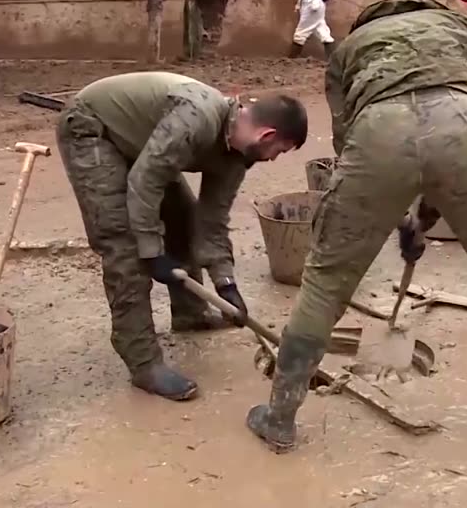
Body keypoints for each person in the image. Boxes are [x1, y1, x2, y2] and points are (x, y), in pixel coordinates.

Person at [246, 0, 467, 453]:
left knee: (325, 283)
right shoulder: (465, 31)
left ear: (375, 20)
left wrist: (401, 208)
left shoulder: (349, 48)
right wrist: (438, 197)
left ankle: (280, 418)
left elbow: (347, 143)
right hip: (465, 123)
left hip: (377, 129)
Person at [57, 73, 308, 401]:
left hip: (143, 144)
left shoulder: (238, 155)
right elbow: (145, 181)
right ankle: (143, 361)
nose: (275, 158)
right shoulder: (197, 120)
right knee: (125, 244)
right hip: (93, 128)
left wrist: (226, 284)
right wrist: (151, 252)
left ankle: (190, 313)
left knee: (184, 220)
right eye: (280, 150)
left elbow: (211, 221)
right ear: (267, 135)